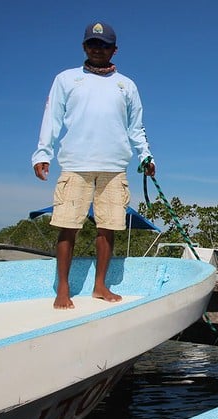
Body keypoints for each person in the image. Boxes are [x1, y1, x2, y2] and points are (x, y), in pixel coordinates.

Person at [32, 21, 156, 309]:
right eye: (92, 44)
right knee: (67, 226)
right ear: (84, 47)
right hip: (76, 163)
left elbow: (137, 128)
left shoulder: (127, 85)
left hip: (114, 167)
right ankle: (62, 288)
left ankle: (101, 286)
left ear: (114, 50)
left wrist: (146, 156)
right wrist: (42, 153)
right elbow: (52, 117)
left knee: (108, 227)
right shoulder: (66, 79)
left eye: (104, 45)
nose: (97, 49)